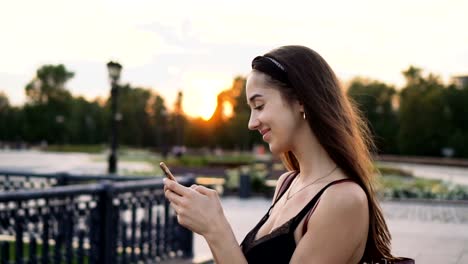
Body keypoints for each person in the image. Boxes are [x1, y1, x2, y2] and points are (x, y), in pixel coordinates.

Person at [164, 45, 414, 263]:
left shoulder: (343, 200)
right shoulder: (287, 183)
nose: (252, 122)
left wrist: (215, 229)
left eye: (259, 106)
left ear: (301, 101)